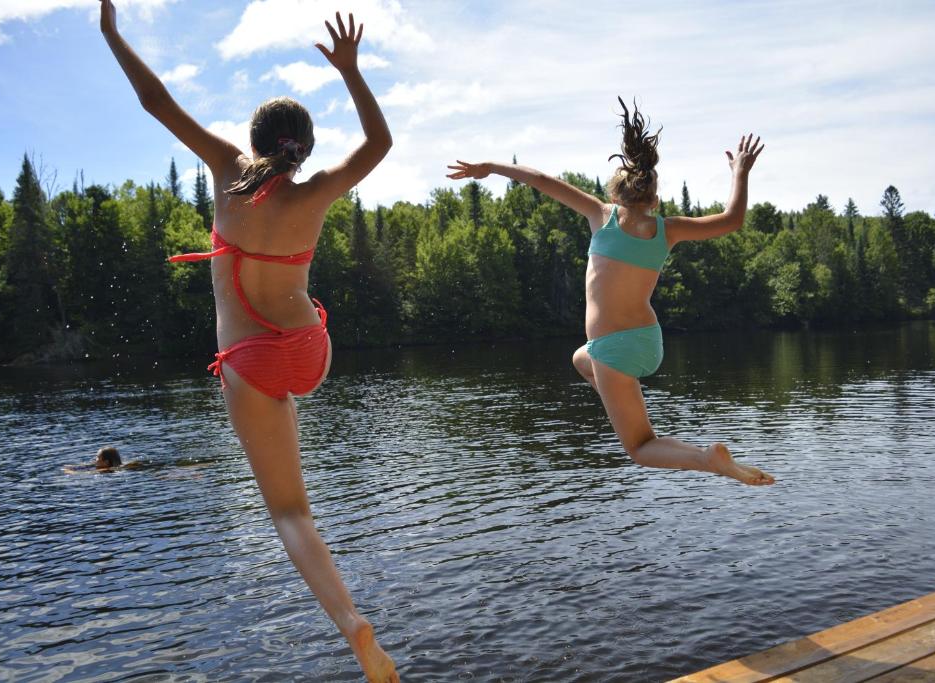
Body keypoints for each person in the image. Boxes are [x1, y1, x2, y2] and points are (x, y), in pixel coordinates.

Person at [99, 3, 398, 681]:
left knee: (291, 511)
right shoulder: (317, 191)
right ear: (304, 149)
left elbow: (154, 100)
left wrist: (114, 35)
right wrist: (351, 73)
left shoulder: (227, 168)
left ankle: (353, 624)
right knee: (298, 374)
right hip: (309, 351)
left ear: (255, 140)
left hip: (251, 363)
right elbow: (379, 147)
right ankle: (356, 623)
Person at [448, 98, 775, 486]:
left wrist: (490, 167)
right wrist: (740, 172)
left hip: (614, 348)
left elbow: (537, 179)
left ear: (615, 194)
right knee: (579, 359)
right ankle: (625, 394)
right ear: (654, 199)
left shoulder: (601, 216)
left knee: (639, 447)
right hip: (648, 342)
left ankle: (707, 458)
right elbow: (732, 220)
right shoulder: (669, 229)